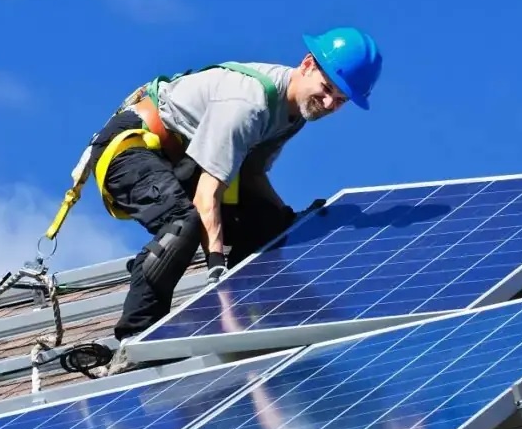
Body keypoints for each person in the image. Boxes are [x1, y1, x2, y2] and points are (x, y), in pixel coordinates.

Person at [80, 26, 382, 375]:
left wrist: (287, 219)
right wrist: (216, 270)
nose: (328, 104)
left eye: (340, 100)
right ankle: (136, 340)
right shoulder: (249, 104)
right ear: (307, 64)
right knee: (183, 223)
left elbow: (251, 175)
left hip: (184, 162)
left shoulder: (293, 115)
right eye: (327, 89)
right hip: (132, 148)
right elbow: (206, 196)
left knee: (270, 224)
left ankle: (248, 310)